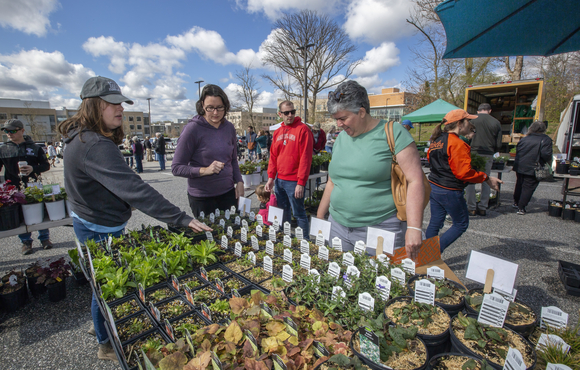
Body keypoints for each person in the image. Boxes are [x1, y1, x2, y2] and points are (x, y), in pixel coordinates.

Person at [57, 76, 210, 363]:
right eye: (112, 104)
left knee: (98, 284)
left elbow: (115, 184)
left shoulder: (80, 136)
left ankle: (98, 325)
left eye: (121, 104)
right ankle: (104, 343)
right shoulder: (94, 145)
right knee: (106, 289)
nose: (120, 109)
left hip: (86, 218)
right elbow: (134, 188)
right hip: (100, 226)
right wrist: (180, 218)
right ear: (94, 106)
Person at [316, 81, 425, 258]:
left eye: (343, 118)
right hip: (337, 225)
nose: (339, 124)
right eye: (336, 119)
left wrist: (413, 228)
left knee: (380, 283)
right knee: (339, 281)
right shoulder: (341, 139)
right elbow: (332, 182)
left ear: (361, 112)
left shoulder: (393, 133)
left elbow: (414, 180)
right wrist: (320, 218)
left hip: (379, 228)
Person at [425, 109, 503, 252]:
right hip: (450, 190)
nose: (470, 124)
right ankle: (432, 253)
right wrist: (485, 177)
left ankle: (428, 257)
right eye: (468, 121)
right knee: (460, 224)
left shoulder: (436, 141)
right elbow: (463, 173)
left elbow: (431, 160)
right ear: (460, 123)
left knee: (435, 223)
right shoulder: (458, 144)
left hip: (434, 186)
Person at [171, 84, 244, 216]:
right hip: (202, 198)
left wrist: (239, 181)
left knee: (233, 233)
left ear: (225, 106)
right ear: (202, 107)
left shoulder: (229, 128)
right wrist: (204, 170)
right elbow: (176, 168)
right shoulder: (192, 129)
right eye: (210, 108)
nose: (215, 113)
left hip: (228, 194)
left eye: (219, 107)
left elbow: (233, 160)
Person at [0, 119, 52, 254]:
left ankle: (45, 238)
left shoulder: (35, 148)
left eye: (12, 130)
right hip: (13, 188)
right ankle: (26, 242)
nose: (9, 134)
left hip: (34, 185)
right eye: (6, 131)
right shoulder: (3, 149)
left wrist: (33, 168)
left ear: (22, 130)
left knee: (40, 211)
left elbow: (46, 165)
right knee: (19, 215)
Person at [265, 100, 313, 232]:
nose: (290, 115)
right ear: (280, 114)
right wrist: (270, 178)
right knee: (283, 212)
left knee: (299, 214)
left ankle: (306, 243)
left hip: (294, 181)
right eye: (286, 113)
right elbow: (273, 156)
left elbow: (306, 158)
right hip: (279, 180)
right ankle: (286, 241)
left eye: (292, 112)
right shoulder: (277, 132)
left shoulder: (303, 130)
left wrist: (301, 182)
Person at [465, 103, 502, 216]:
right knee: (486, 179)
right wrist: (493, 150)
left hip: (472, 152)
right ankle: (483, 207)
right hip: (487, 153)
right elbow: (499, 143)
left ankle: (471, 207)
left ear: (478, 110)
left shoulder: (472, 120)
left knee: (470, 180)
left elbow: (465, 137)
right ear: (489, 111)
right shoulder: (496, 122)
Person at [512, 121, 552, 215]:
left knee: (519, 184)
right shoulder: (545, 139)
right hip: (534, 166)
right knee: (528, 187)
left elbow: (518, 150)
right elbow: (546, 154)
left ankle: (516, 202)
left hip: (520, 165)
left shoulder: (525, 139)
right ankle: (521, 207)